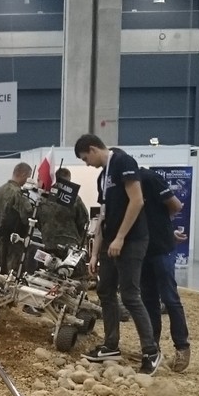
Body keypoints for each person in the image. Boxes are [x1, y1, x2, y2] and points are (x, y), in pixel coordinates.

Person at [74, 134, 158, 373]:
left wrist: (121, 237)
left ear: (93, 149)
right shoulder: (103, 177)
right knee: (105, 290)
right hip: (110, 242)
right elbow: (102, 216)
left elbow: (137, 201)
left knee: (130, 295)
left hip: (132, 240)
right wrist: (94, 253)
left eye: (85, 158)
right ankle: (111, 345)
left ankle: (151, 351)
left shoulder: (123, 161)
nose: (87, 164)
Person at [136, 167, 191, 373]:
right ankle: (153, 348)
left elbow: (175, 205)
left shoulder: (149, 178)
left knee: (169, 298)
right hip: (143, 250)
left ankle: (182, 346)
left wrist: (164, 229)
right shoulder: (120, 183)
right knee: (149, 300)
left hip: (161, 249)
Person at [0, 163, 33, 275]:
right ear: (23, 174)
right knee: (14, 274)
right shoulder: (18, 193)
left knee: (3, 271)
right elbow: (27, 217)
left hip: (1, 238)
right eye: (28, 176)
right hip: (15, 241)